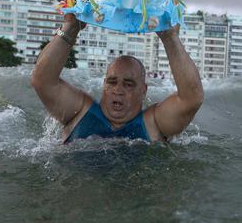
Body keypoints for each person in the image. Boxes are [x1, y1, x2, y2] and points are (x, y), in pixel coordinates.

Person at [31, 14, 203, 143]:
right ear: (104, 84)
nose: (118, 90)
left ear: (143, 90)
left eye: (128, 85)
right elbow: (42, 80)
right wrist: (70, 27)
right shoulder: (80, 111)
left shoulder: (153, 124)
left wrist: (170, 38)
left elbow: (191, 98)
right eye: (112, 82)